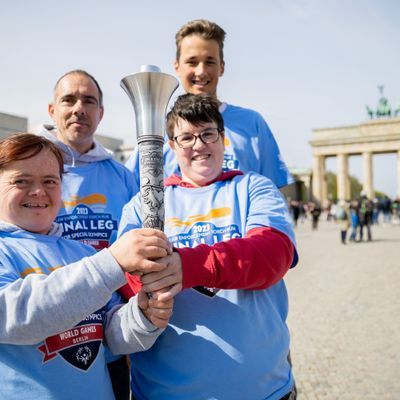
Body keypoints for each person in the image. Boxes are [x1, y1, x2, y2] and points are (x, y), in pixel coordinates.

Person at [119, 94, 298, 400]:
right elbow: (126, 280)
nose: (199, 145)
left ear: (222, 138)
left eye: (207, 134)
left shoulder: (254, 188)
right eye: (186, 137)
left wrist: (185, 267)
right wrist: (144, 279)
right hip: (165, 393)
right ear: (172, 146)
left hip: (263, 391)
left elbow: (273, 255)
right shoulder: (142, 206)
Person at [0, 133, 173, 399]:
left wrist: (142, 318)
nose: (38, 191)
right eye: (21, 181)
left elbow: (109, 338)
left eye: (50, 181)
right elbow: (15, 315)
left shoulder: (81, 253)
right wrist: (111, 262)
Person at [36, 69, 136, 398]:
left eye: (89, 100)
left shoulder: (123, 177)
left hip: (110, 336)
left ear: (100, 113)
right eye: (69, 99)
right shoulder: (29, 171)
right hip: (44, 333)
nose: (79, 107)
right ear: (52, 110)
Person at [125, 19, 293, 192]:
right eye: (192, 62)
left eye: (210, 62)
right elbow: (128, 187)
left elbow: (274, 192)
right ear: (177, 67)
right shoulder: (156, 131)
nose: (201, 71)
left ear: (222, 67)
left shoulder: (252, 123)